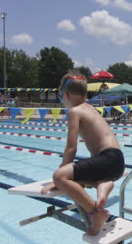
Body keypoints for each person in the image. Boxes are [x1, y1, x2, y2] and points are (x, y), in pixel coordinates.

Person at [41, 71, 125, 235]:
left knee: (59, 176)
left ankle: (97, 214)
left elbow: (71, 148)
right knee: (77, 178)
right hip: (117, 163)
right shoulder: (90, 108)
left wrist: (59, 179)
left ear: (65, 95)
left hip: (107, 159)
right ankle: (103, 183)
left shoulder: (75, 111)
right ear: (84, 93)